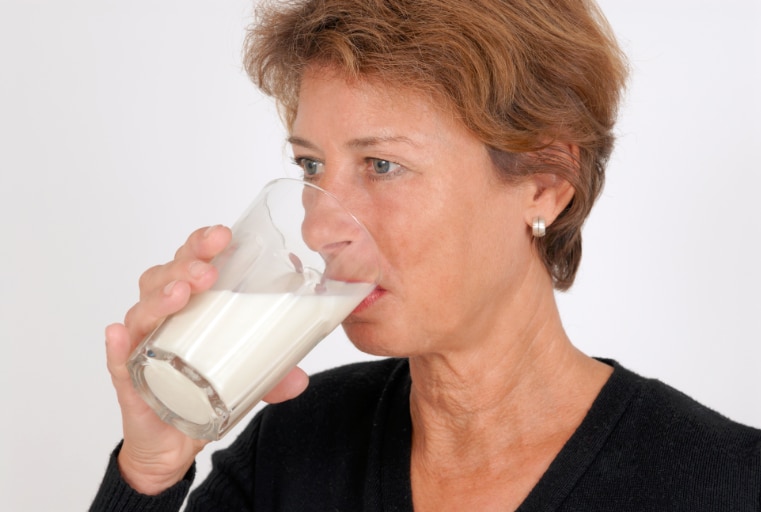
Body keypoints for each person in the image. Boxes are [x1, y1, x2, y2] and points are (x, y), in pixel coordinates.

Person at [91, 0, 761, 510]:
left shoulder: (725, 483)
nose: (322, 225)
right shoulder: (291, 450)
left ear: (545, 186)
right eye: (311, 163)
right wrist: (148, 472)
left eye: (381, 164)